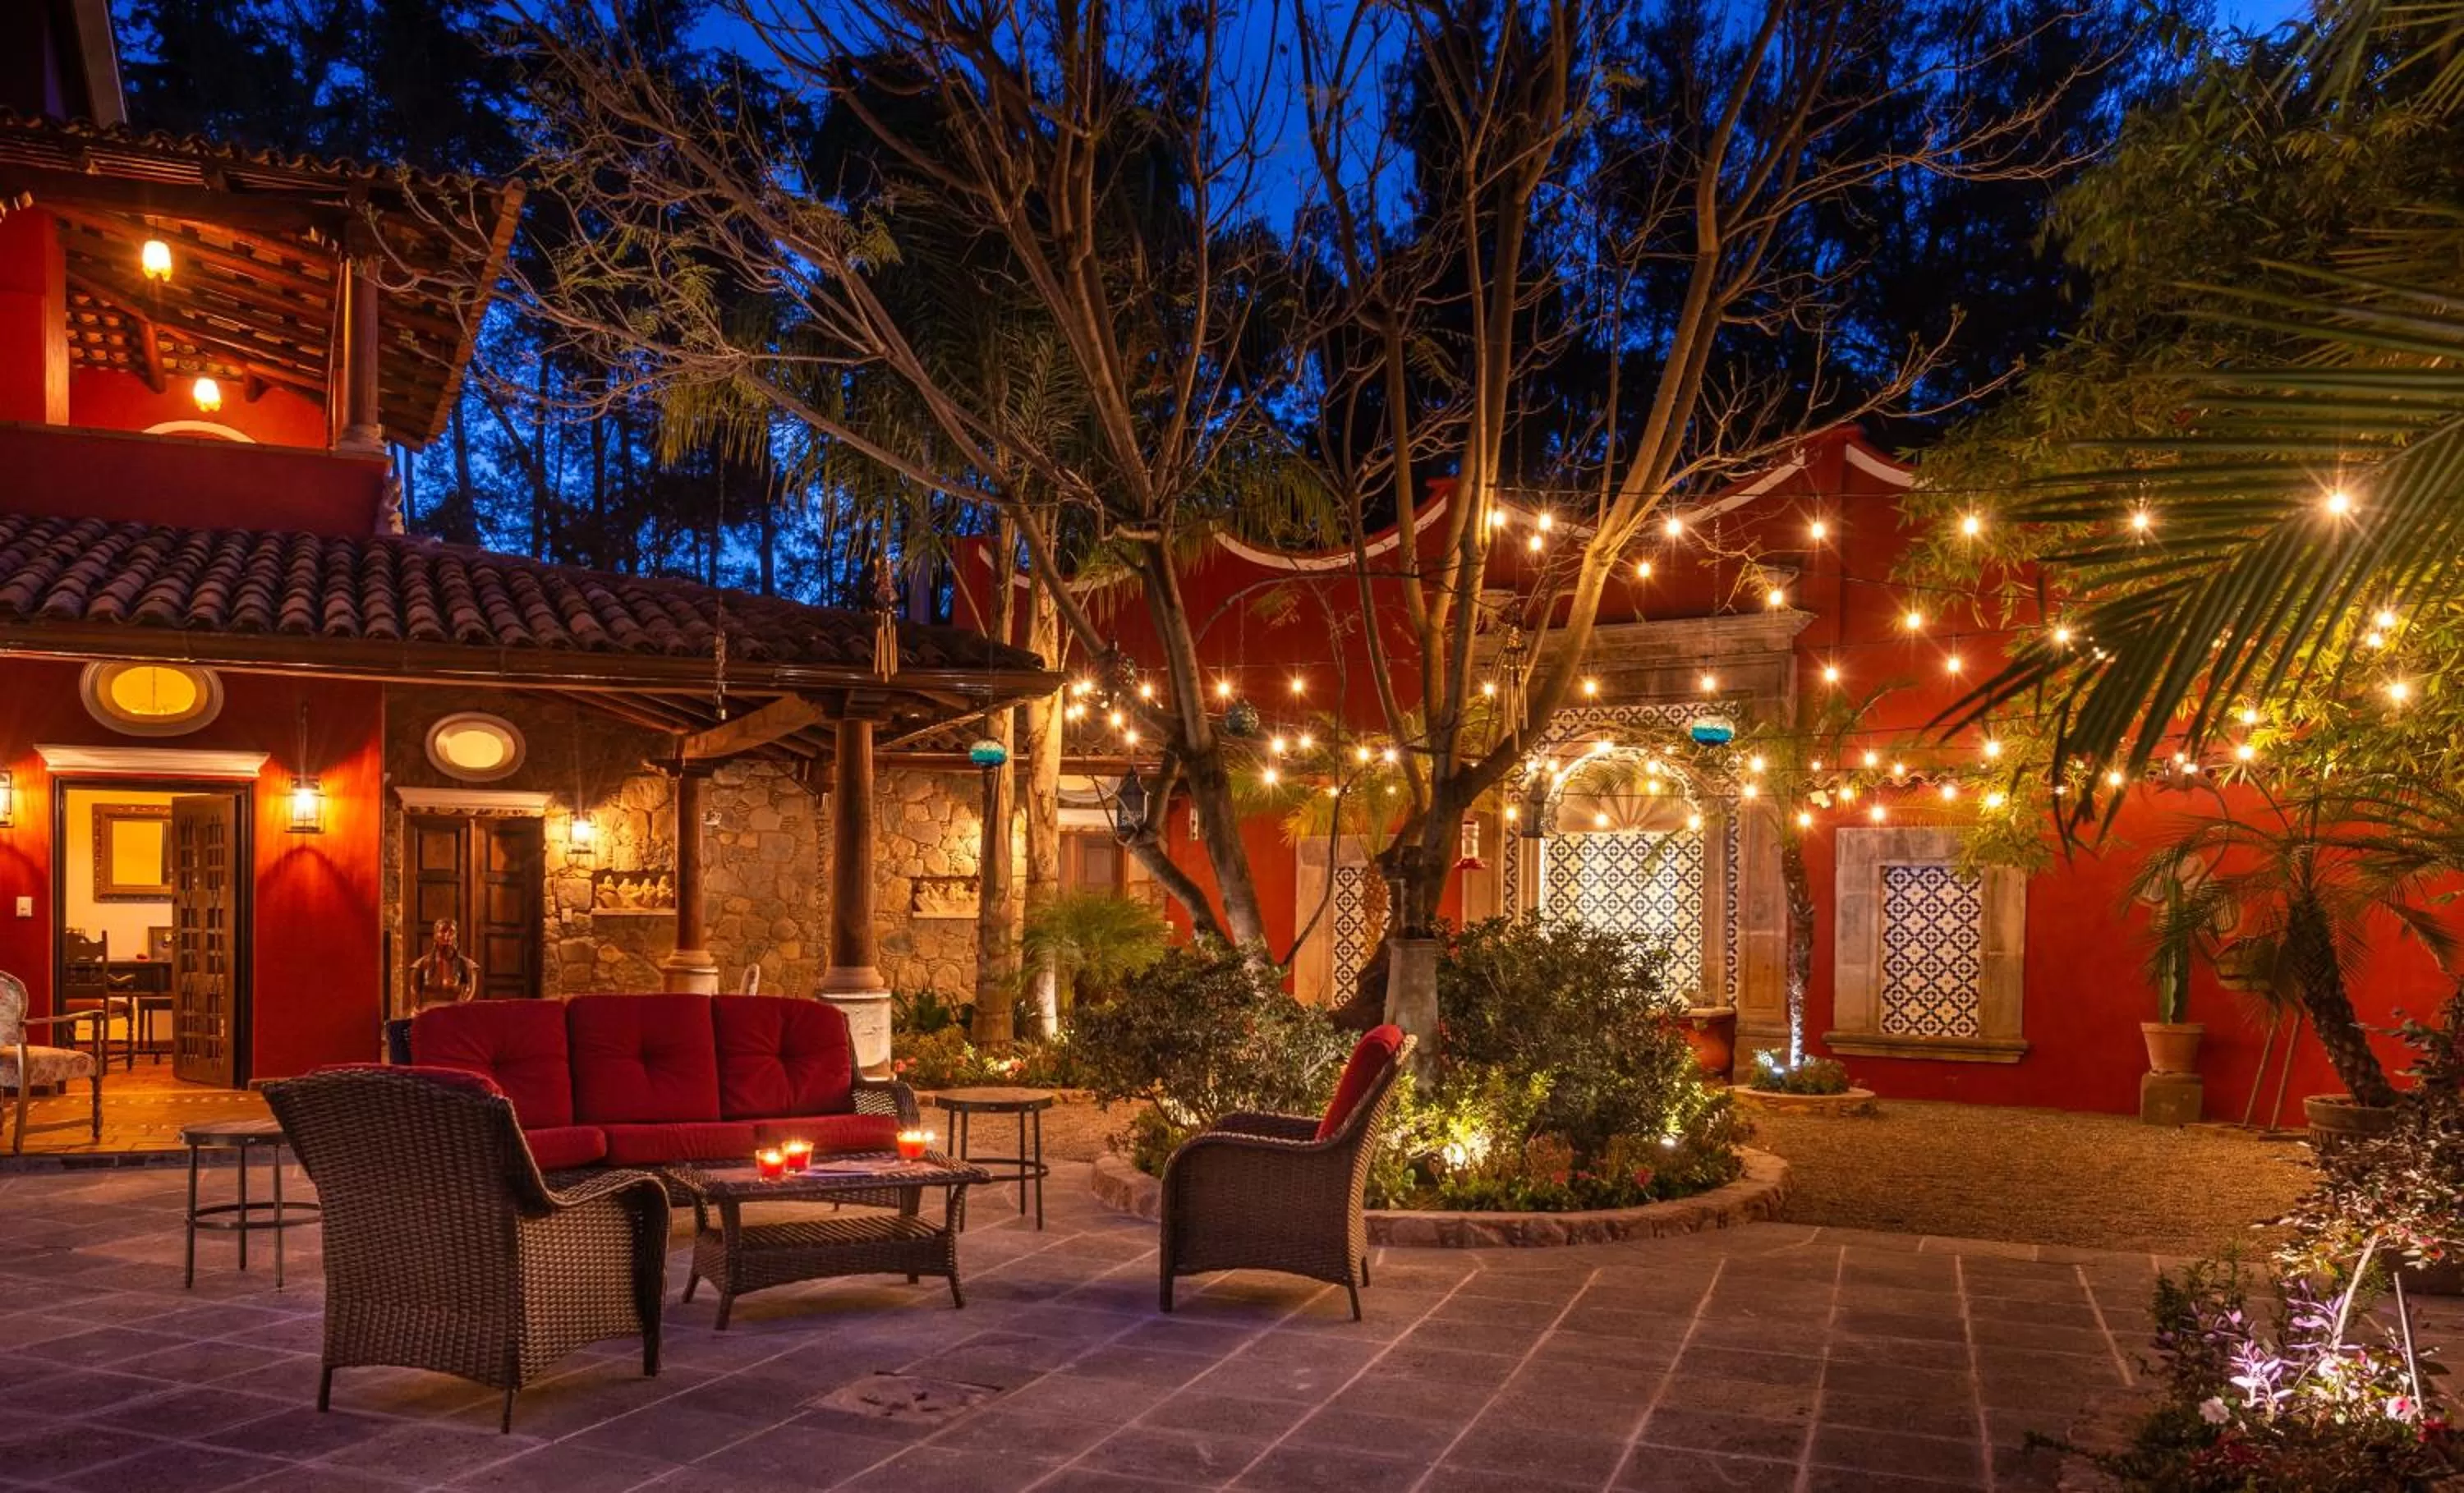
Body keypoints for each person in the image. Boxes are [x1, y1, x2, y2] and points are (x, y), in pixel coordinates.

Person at [411, 918, 480, 1009]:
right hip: (428, 1012)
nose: (447, 936)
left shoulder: (467, 965)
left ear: (455, 935)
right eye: (443, 931)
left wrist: (460, 1008)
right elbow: (415, 994)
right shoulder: (421, 965)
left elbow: (469, 993)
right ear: (435, 935)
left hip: (454, 1013)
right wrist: (417, 1010)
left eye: (451, 932)